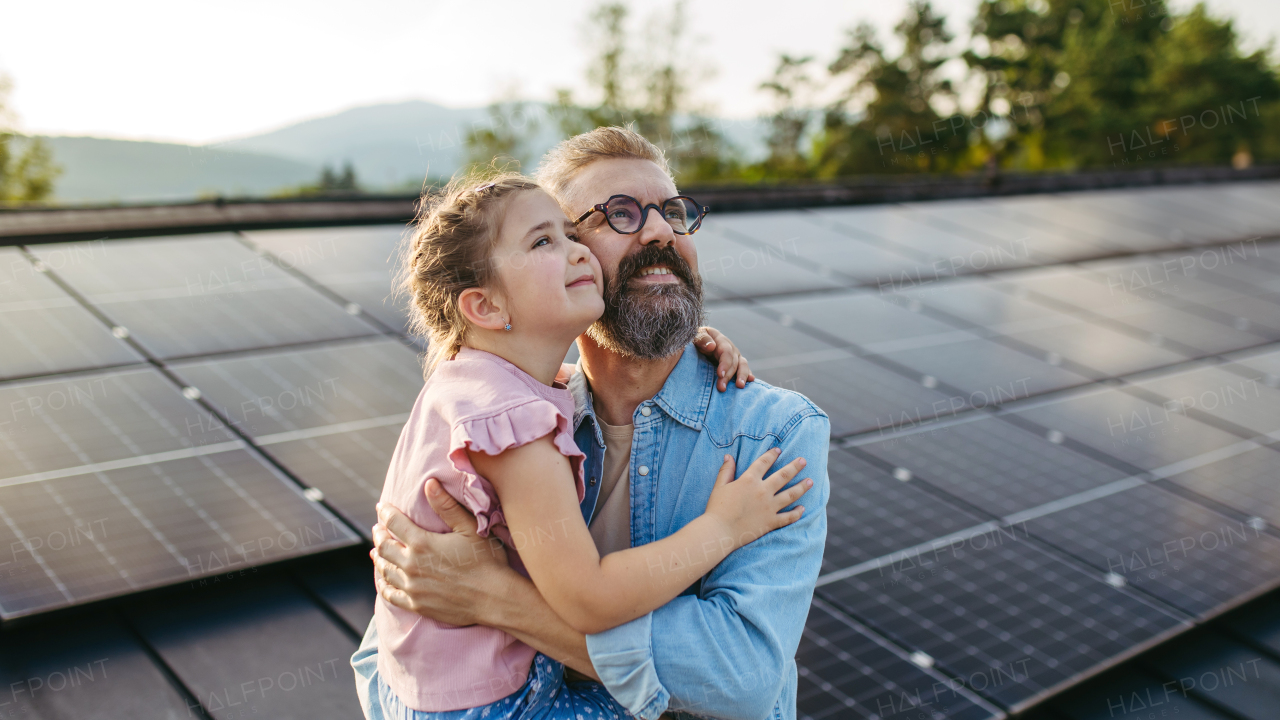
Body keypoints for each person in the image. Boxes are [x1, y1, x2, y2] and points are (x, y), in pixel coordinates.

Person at [357, 127, 830, 720]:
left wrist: (498, 599)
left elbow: (741, 679)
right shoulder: (510, 421)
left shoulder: (775, 433)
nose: (660, 231)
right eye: (620, 215)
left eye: (673, 213)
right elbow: (385, 653)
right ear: (574, 262)